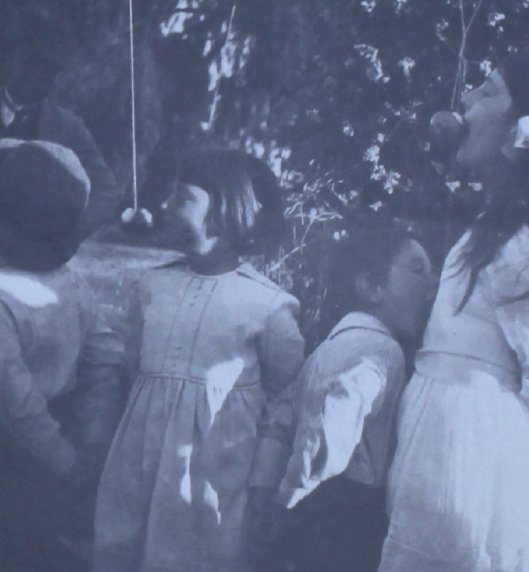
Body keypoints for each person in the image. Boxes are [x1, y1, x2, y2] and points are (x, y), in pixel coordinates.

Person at [378, 52, 529, 572]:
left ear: (518, 132)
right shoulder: (487, 225)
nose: (465, 101)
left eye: (487, 92)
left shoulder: (517, 244)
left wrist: (502, 453)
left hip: (471, 448)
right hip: (438, 438)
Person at [93, 149, 306, 572]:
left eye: (182, 197)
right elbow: (133, 367)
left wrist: (264, 480)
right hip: (137, 460)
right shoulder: (153, 286)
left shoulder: (267, 305)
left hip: (212, 475)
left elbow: (285, 402)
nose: (166, 206)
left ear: (225, 212)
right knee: (123, 547)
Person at [246, 222, 436, 572]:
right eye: (416, 270)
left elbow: (285, 420)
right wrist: (289, 498)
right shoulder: (381, 350)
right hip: (347, 511)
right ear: (371, 287)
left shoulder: (327, 348)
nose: (430, 287)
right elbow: (329, 430)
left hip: (318, 506)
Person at [0, 139, 125, 571]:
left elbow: (16, 407)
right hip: (57, 436)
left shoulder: (11, 294)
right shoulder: (68, 279)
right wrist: (90, 441)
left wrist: (70, 460)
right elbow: (105, 357)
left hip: (20, 454)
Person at [1, 8, 120, 233]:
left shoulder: (68, 128)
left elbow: (106, 190)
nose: (37, 77)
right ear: (12, 61)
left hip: (31, 245)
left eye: (49, 72)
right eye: (30, 65)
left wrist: (66, 227)